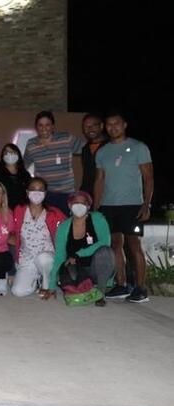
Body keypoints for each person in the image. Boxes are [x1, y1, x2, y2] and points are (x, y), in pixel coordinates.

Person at [94, 111, 154, 303]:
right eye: (109, 124)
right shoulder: (102, 152)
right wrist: (96, 208)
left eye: (116, 123)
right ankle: (121, 285)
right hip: (108, 205)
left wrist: (146, 203)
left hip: (133, 205)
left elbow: (148, 177)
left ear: (125, 124)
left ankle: (141, 288)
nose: (113, 127)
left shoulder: (138, 147)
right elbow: (99, 180)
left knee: (134, 245)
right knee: (115, 245)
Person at [44, 191, 115, 307]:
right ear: (69, 205)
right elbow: (59, 257)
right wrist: (51, 286)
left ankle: (101, 293)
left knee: (105, 252)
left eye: (83, 203)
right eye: (75, 202)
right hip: (77, 270)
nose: (79, 206)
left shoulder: (98, 219)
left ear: (88, 206)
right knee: (67, 268)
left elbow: (105, 242)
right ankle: (83, 290)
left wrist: (78, 254)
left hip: (96, 268)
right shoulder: (63, 227)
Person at [10, 178, 66, 297]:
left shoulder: (54, 213)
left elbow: (68, 231)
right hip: (26, 258)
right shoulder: (19, 210)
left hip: (47, 257)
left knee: (43, 258)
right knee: (18, 292)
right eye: (33, 189)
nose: (37, 193)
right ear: (27, 192)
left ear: (45, 193)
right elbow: (11, 230)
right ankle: (36, 280)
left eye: (40, 190)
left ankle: (47, 283)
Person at [23, 111, 84, 215]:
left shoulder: (66, 138)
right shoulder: (31, 144)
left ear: (53, 126)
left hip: (66, 193)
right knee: (46, 226)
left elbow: (87, 150)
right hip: (45, 194)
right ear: (36, 127)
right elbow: (24, 165)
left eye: (47, 125)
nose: (44, 128)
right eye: (40, 125)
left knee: (65, 224)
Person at [0, 143, 31, 210]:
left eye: (12, 152)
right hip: (3, 209)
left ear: (18, 154)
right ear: (3, 156)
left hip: (21, 210)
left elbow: (29, 192)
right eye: (7, 152)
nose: (9, 154)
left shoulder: (25, 174)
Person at [80, 113, 107, 195]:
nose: (90, 129)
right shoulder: (85, 149)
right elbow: (87, 175)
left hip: (109, 196)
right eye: (86, 126)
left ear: (101, 126)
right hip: (90, 195)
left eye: (93, 125)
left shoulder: (111, 146)